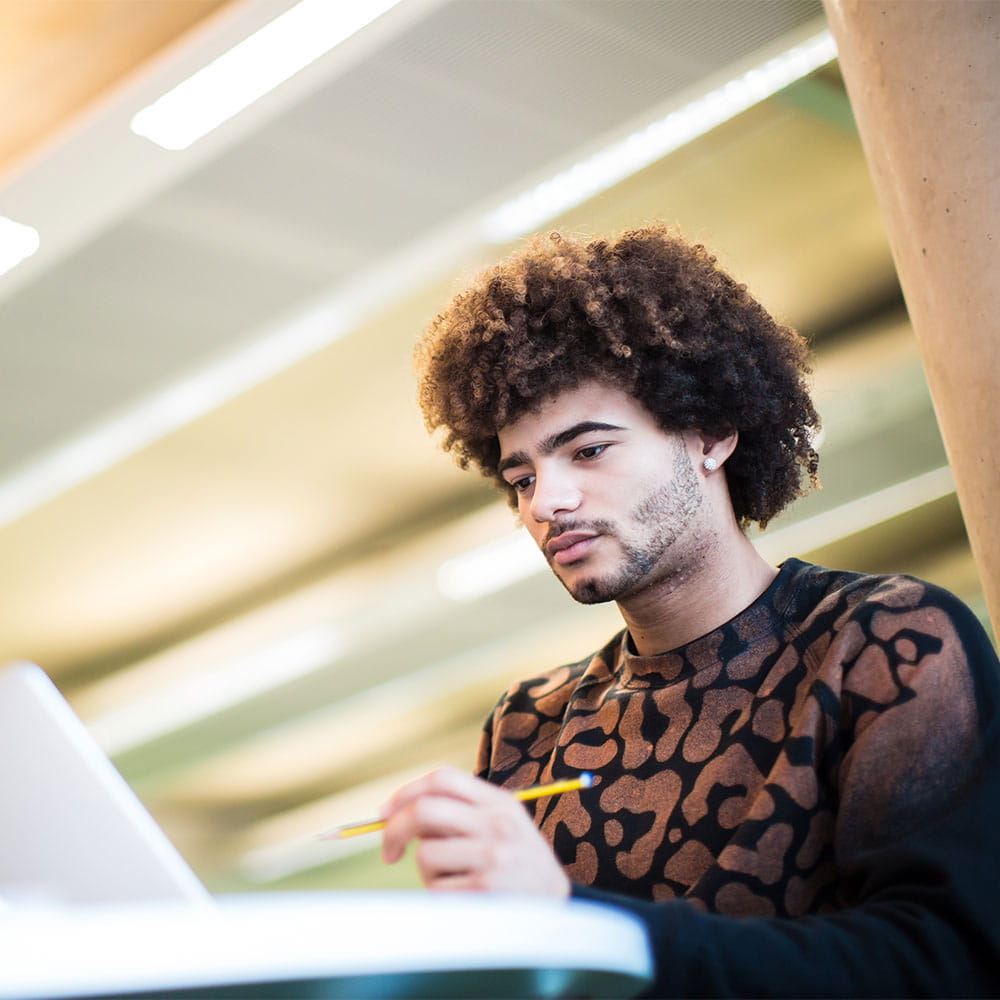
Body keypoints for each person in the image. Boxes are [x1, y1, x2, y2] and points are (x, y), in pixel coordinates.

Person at [378, 226, 1000, 997]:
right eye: (521, 477)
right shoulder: (528, 723)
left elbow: (944, 965)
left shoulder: (884, 644)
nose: (549, 501)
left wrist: (573, 917)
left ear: (710, 432)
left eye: (589, 450)